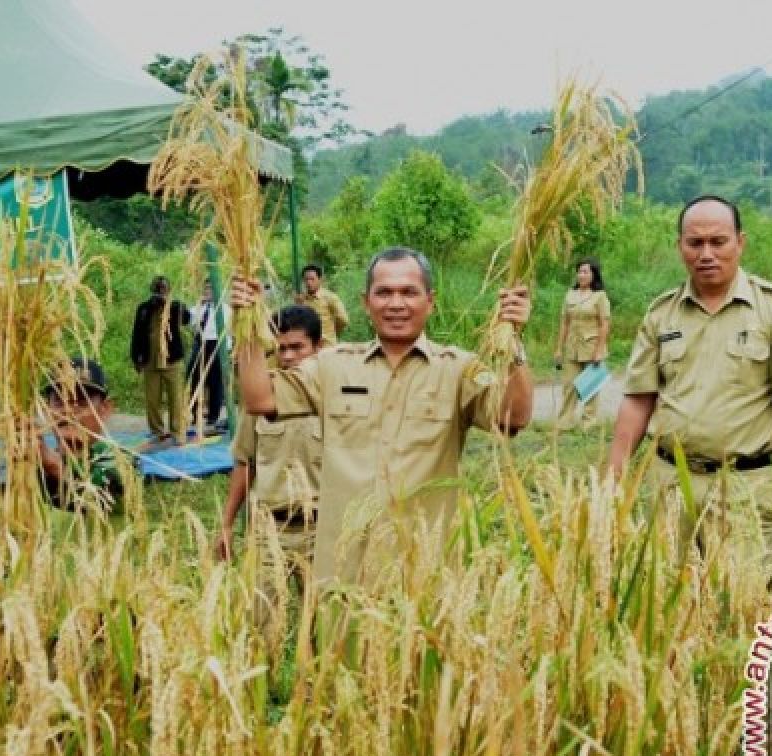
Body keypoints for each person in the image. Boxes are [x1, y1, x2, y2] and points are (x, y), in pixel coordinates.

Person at [231, 246, 534, 589]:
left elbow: (514, 417)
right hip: (345, 575)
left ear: (430, 301)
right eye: (384, 292)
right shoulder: (333, 366)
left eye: (409, 292)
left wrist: (514, 342)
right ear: (366, 302)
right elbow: (260, 398)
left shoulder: (458, 369)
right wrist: (247, 320)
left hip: (424, 574)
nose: (396, 304)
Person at [608, 195, 772, 562]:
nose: (706, 254)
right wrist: (613, 480)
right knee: (666, 597)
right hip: (670, 485)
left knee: (744, 602)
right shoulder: (661, 314)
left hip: (743, 489)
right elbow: (639, 398)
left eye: (718, 242)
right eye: (695, 243)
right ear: (679, 246)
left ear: (740, 242)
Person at [217, 305, 324, 646]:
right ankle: (266, 689)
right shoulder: (260, 398)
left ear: (318, 348)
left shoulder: (332, 396)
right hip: (270, 529)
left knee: (325, 623)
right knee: (261, 626)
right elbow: (244, 461)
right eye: (282, 349)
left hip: (320, 529)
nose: (289, 356)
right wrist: (226, 523)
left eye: (298, 347)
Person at [35, 357, 123, 512]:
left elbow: (106, 500)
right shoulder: (36, 466)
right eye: (59, 401)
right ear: (46, 409)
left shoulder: (121, 463)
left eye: (81, 402)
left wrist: (55, 468)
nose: (68, 411)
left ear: (105, 409)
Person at [130, 276, 191, 443]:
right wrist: (136, 357)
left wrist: (171, 304)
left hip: (172, 360)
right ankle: (157, 431)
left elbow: (187, 319)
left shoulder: (175, 306)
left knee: (176, 398)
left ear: (169, 290)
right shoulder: (144, 308)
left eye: (164, 289)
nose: (161, 292)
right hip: (150, 360)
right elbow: (136, 334)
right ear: (153, 290)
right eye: (158, 289)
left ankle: (177, 431)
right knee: (152, 398)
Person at [554, 257, 611, 428]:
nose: (582, 275)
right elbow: (565, 323)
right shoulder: (570, 295)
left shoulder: (599, 296)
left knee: (590, 386)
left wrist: (599, 350)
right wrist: (558, 349)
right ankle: (565, 421)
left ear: (594, 275)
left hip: (592, 346)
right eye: (579, 271)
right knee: (569, 385)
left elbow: (605, 323)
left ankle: (589, 422)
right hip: (572, 346)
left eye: (586, 272)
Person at [187, 281, 230, 434]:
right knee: (195, 379)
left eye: (211, 288)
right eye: (206, 288)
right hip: (200, 344)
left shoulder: (226, 310)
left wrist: (227, 350)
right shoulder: (198, 308)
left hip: (217, 345)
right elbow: (190, 323)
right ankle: (195, 414)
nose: (208, 291)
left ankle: (213, 415)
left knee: (215, 382)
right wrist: (199, 305)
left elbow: (229, 333)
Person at [297, 264, 350, 346]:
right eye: (306, 280)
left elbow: (343, 320)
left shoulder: (330, 297)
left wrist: (331, 332)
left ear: (320, 279)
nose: (308, 282)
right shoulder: (302, 299)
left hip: (327, 346)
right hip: (309, 346)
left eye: (312, 279)